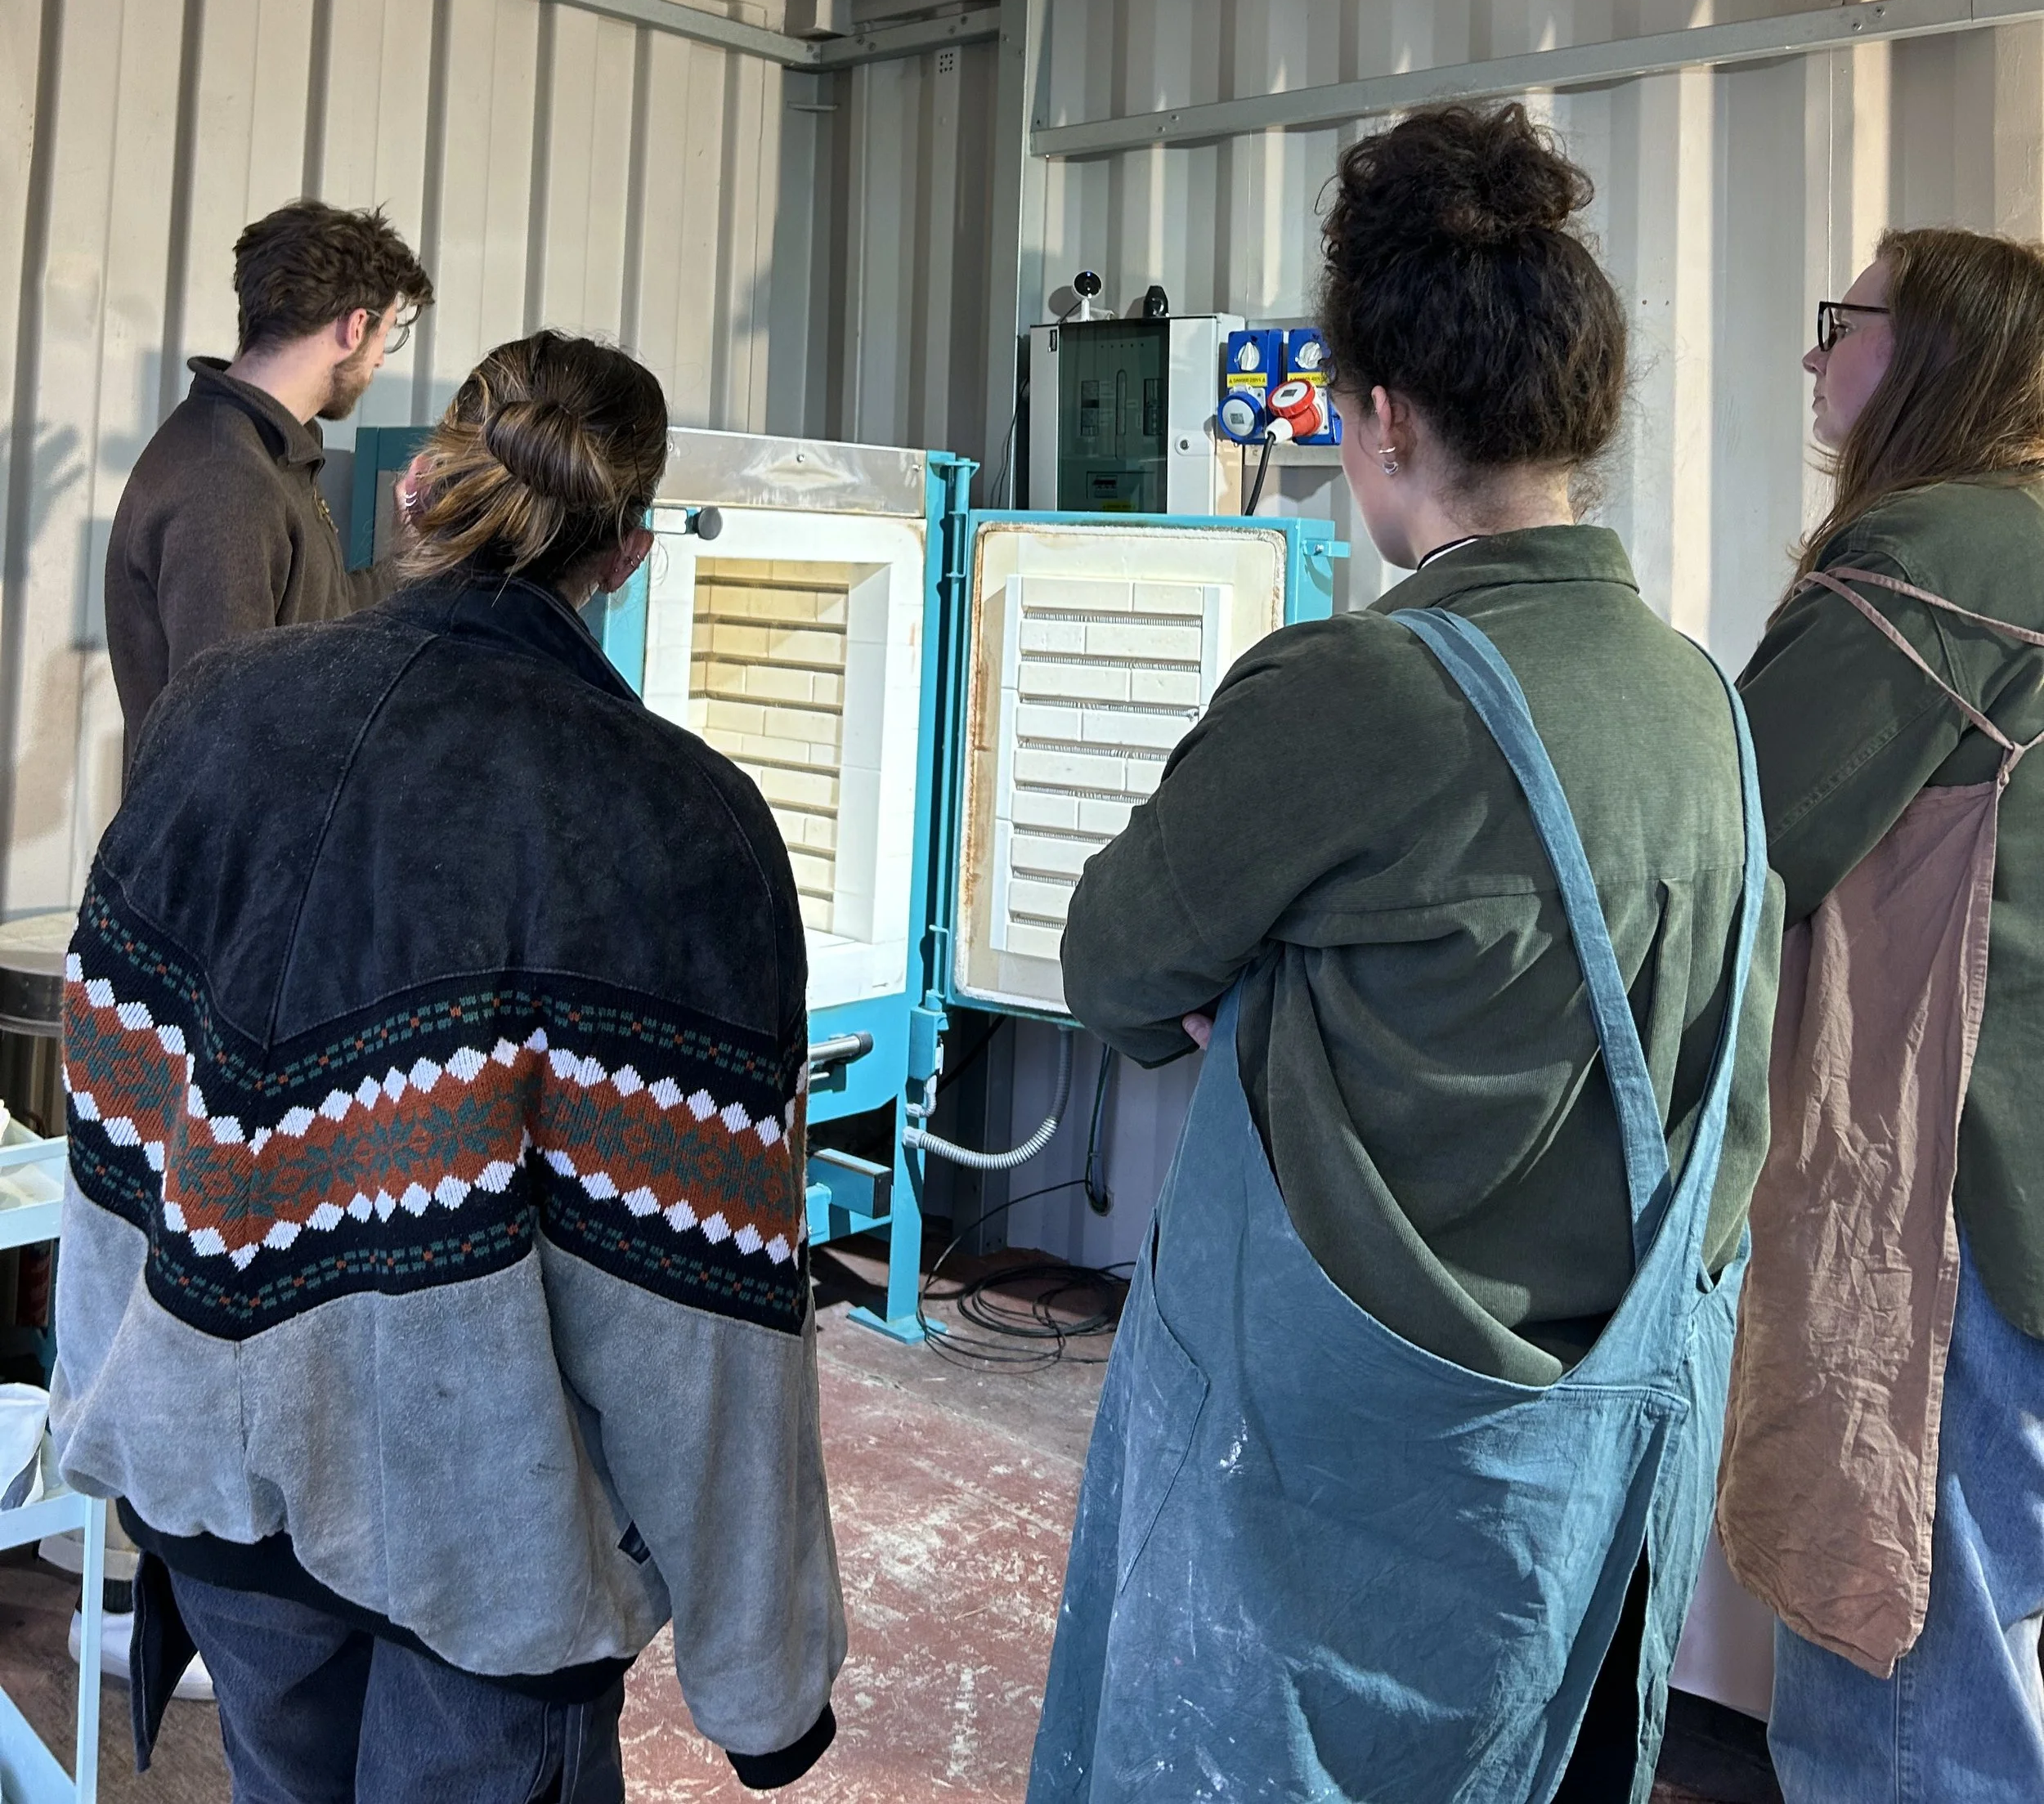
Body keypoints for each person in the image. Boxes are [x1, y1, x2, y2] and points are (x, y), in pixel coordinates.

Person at [1029, 101, 1782, 1804]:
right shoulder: (1705, 703)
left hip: (1328, 1497)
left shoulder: (1351, 687)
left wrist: (1243, 1014)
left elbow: (1107, 961)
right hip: (1589, 1496)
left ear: (1375, 418)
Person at [52, 332, 844, 1801]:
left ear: (418, 488)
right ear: (631, 546)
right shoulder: (685, 818)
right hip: (485, 1558)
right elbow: (703, 1314)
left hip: (219, 1511)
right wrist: (765, 1677)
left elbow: (115, 1124)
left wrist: (116, 1406)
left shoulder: (214, 714)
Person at [1724, 229, 2044, 1799]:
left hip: (1963, 1202)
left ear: (1938, 352)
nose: (1813, 357)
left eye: (1840, 321)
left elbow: (1735, 850)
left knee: (1903, 1673)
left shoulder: (1934, 556)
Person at [104, 198, 433, 764]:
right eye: (387, 334)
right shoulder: (226, 482)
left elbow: (320, 615)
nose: (381, 360)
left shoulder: (268, 453)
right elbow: (225, 738)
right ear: (356, 327)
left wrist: (413, 554)